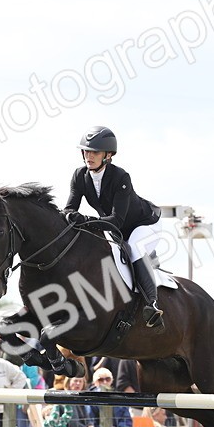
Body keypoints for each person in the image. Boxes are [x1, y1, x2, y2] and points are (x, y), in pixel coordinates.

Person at [63, 125, 165, 328]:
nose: (88, 156)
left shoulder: (121, 177)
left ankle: (151, 304)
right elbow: (69, 210)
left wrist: (84, 220)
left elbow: (116, 220)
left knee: (134, 248)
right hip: (115, 229)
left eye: (95, 152)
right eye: (86, 151)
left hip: (144, 224)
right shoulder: (79, 176)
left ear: (108, 155)